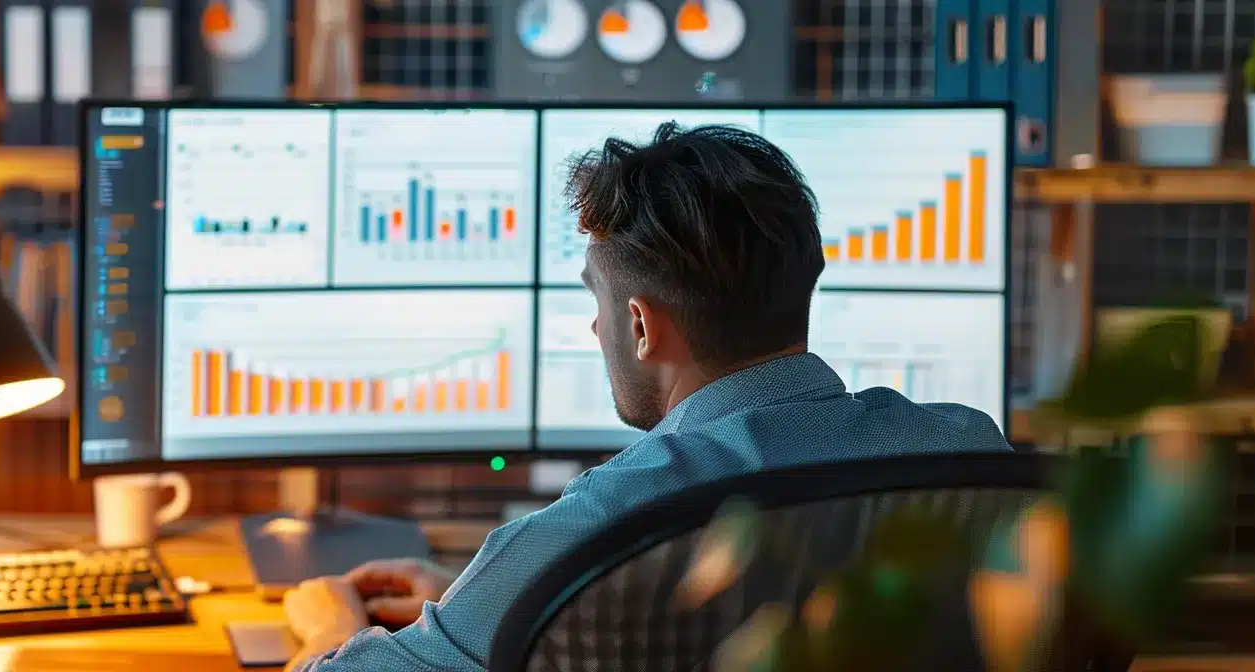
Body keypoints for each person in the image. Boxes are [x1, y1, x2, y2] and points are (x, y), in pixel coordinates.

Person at [281, 122, 1013, 671]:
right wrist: (510, 601)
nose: (594, 322)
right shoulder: (972, 457)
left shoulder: (603, 523)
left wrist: (332, 628)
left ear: (639, 325)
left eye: (597, 301)